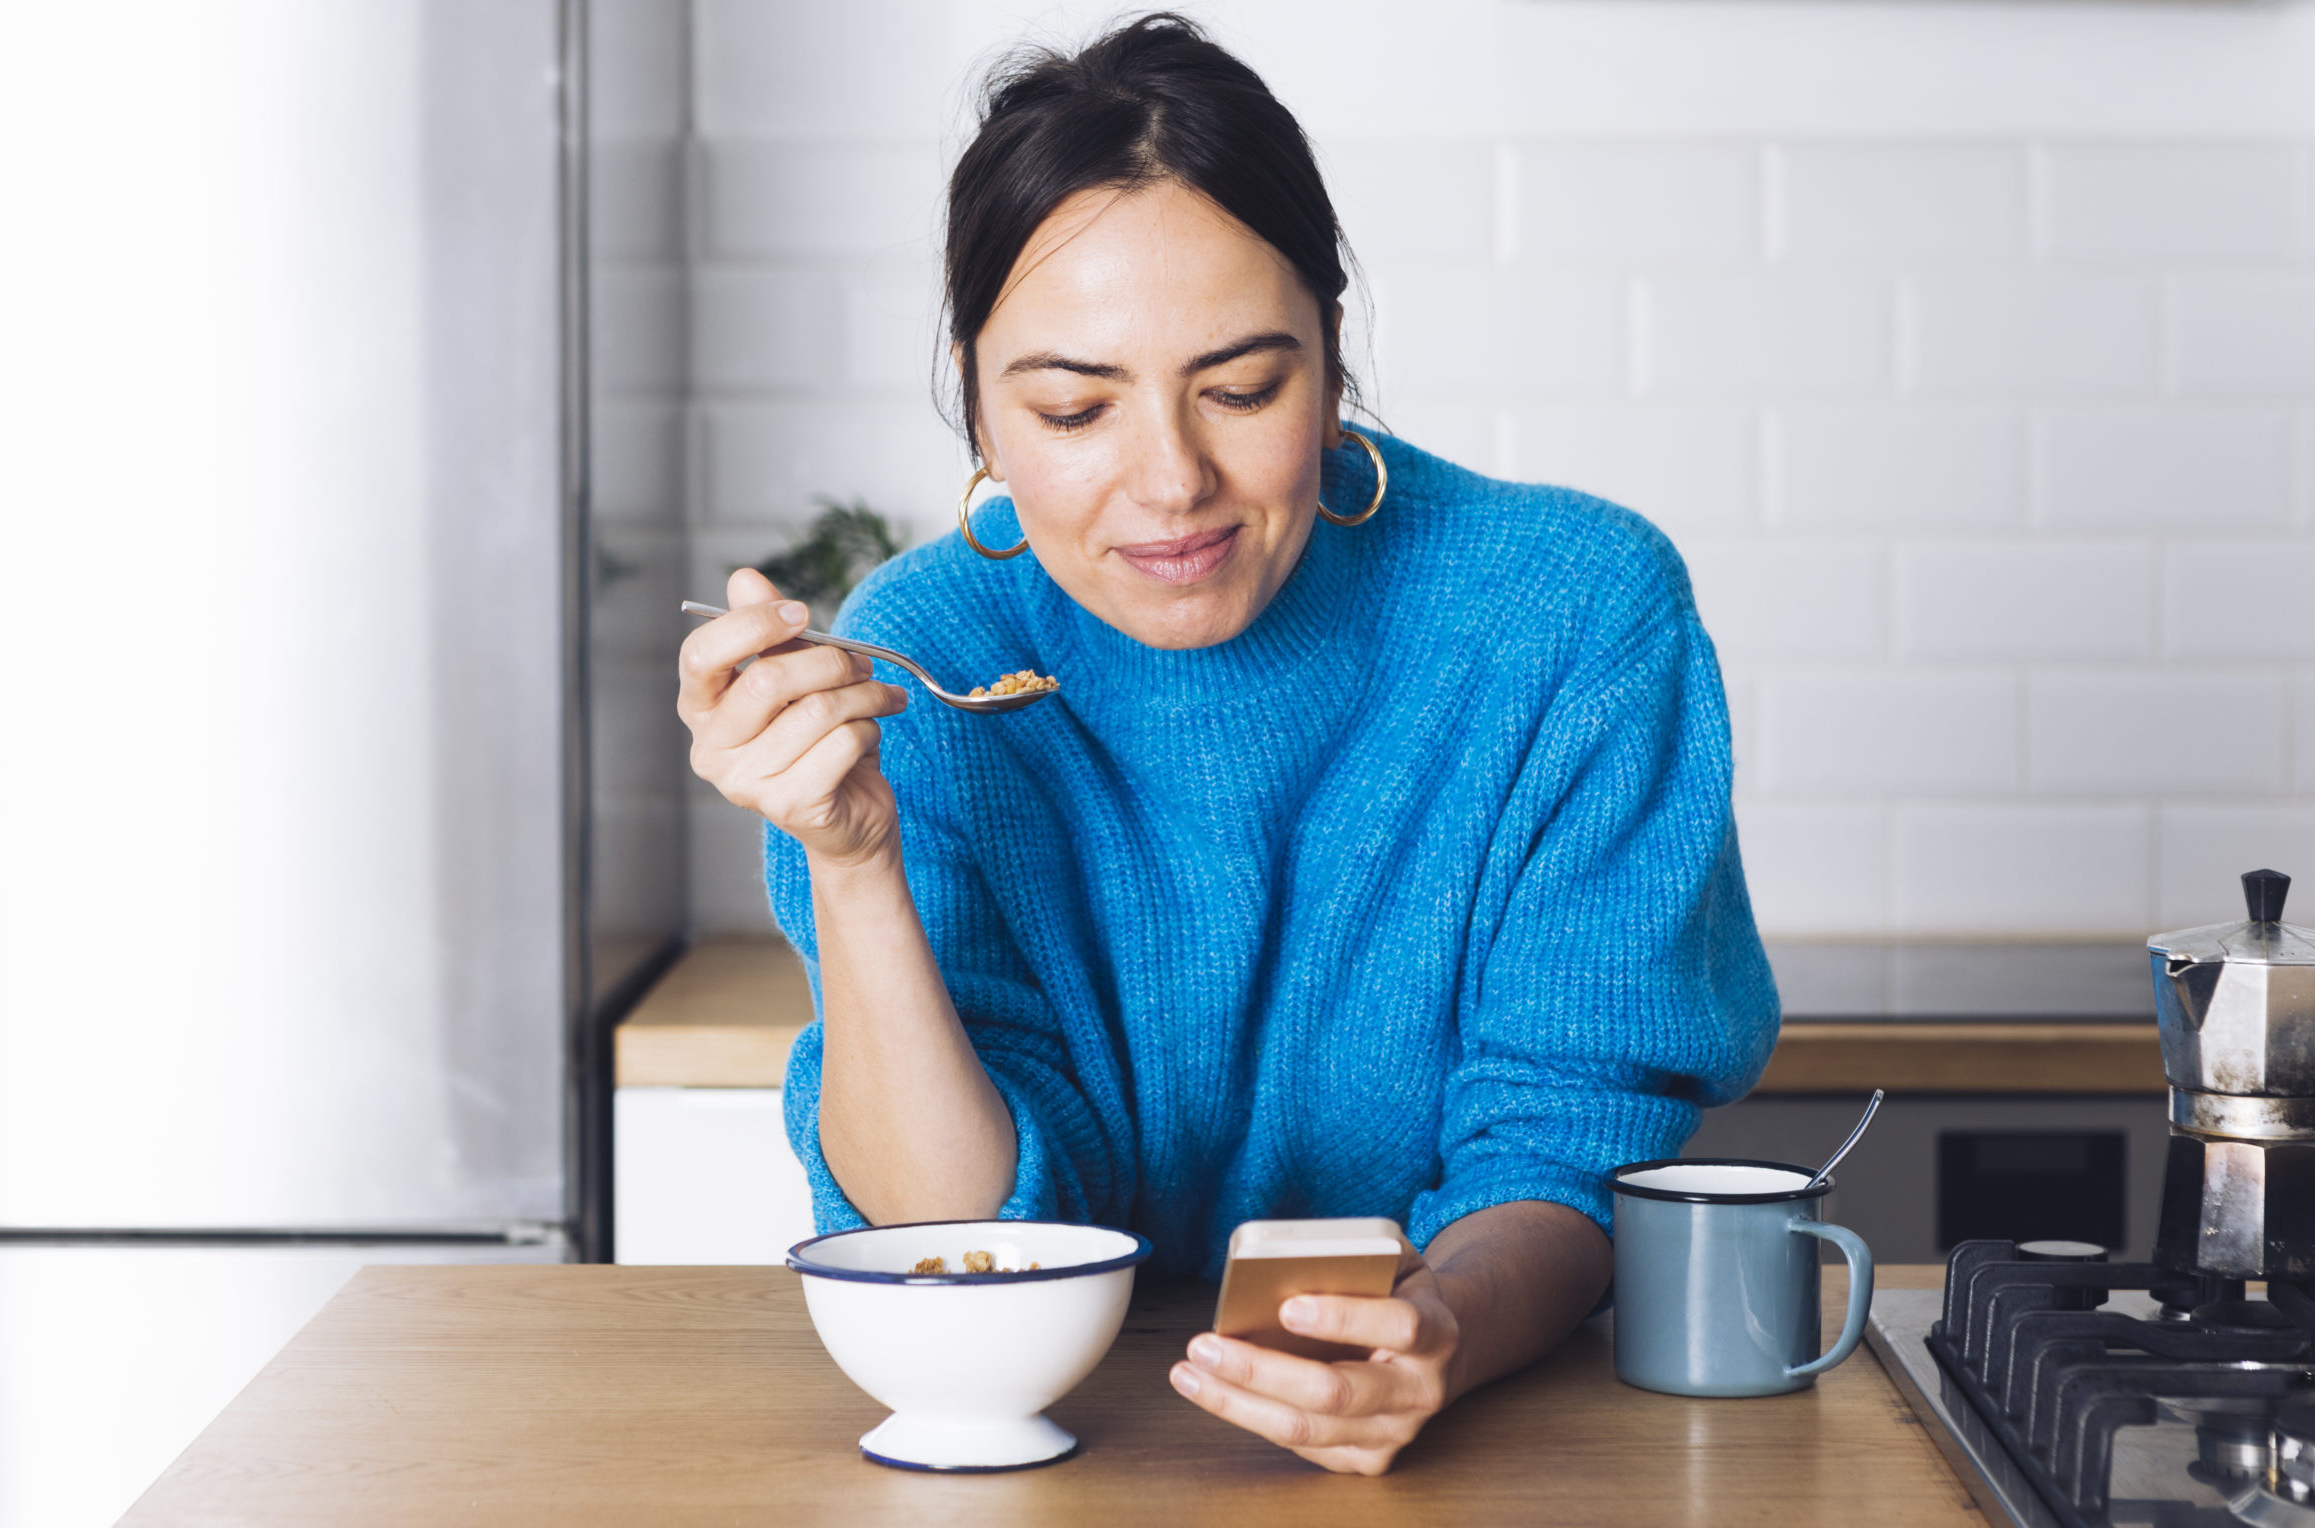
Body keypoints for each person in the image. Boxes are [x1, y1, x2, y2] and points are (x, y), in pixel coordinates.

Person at [677, 12, 1778, 1475]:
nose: (1171, 483)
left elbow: (1567, 1144)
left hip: (1487, 1429)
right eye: (1075, 407)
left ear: (1332, 359)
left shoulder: (1569, 616)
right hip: (1079, 1451)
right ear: (983, 408)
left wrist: (1436, 1332)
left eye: (1245, 388)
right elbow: (953, 1234)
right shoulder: (921, 656)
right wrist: (851, 859)